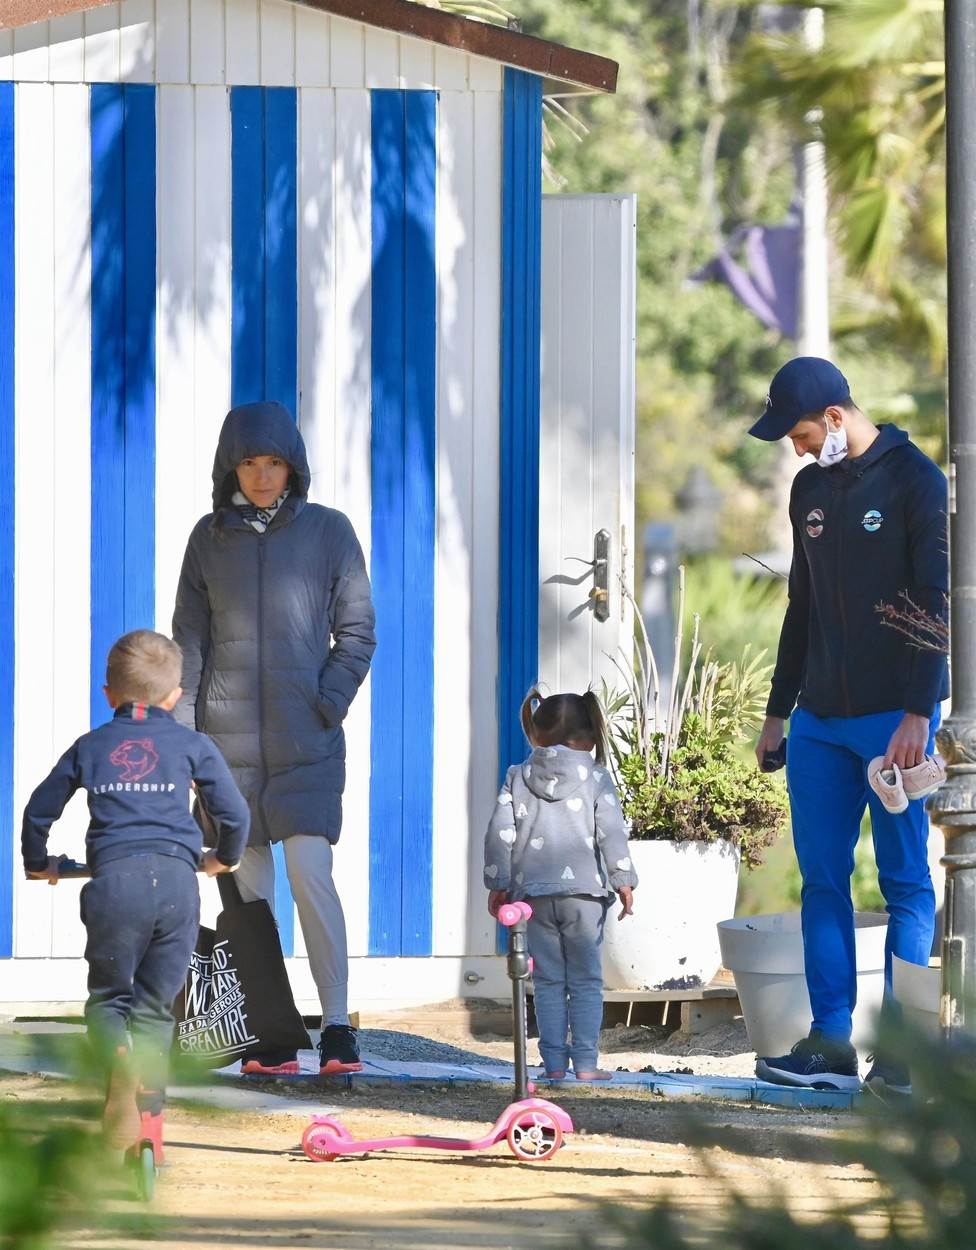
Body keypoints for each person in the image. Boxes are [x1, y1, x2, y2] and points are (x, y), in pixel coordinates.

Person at [750, 356, 949, 1096]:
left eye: (800, 432)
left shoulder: (917, 481)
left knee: (905, 880)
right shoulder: (808, 491)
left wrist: (918, 713)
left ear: (835, 417)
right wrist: (778, 713)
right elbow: (799, 608)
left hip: (895, 720)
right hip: (819, 725)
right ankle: (830, 1041)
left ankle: (900, 1051)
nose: (795, 448)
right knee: (822, 881)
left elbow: (936, 606)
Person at [173, 401, 376, 1077]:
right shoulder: (208, 540)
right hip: (226, 749)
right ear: (232, 465)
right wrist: (187, 741)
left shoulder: (329, 532)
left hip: (306, 743)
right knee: (247, 894)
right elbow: (189, 644)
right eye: (251, 463)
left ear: (294, 466)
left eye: (275, 463)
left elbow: (356, 634)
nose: (262, 476)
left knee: (311, 874)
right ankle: (272, 1035)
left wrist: (326, 702)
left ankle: (340, 1026)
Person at [21, 630, 249, 1145]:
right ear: (174, 696)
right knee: (155, 1006)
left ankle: (117, 1072)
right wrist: (222, 859)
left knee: (108, 1000)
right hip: (176, 884)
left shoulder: (90, 746)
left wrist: (41, 864)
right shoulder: (193, 745)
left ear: (108, 695)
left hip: (113, 884)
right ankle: (151, 1129)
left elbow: (38, 813)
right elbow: (234, 814)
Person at [484, 688, 638, 1081]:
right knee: (586, 980)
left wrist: (498, 881)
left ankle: (553, 1065)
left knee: (548, 980)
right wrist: (623, 880)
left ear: (535, 735)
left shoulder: (517, 777)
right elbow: (612, 834)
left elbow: (499, 832)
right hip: (584, 896)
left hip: (532, 896)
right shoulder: (597, 778)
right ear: (588, 739)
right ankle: (585, 1065)